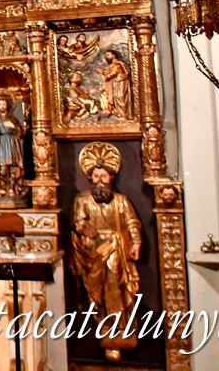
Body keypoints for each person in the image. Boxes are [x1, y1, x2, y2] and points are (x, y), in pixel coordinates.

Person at [72, 144, 142, 362]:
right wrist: (83, 228)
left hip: (115, 247)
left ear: (111, 177)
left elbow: (132, 222)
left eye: (103, 175)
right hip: (92, 252)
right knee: (97, 293)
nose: (99, 180)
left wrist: (136, 242)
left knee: (114, 284)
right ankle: (106, 325)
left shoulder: (120, 201)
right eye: (95, 175)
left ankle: (120, 328)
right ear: (90, 177)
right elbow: (78, 220)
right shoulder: (83, 199)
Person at [0, 100, 26, 202]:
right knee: (2, 168)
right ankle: (3, 188)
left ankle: (12, 188)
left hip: (11, 142)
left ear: (7, 105)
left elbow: (20, 131)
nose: (2, 106)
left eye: (3, 104)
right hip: (1, 143)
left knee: (13, 168)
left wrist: (13, 127)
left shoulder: (12, 118)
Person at [100, 50, 133, 119]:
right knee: (116, 98)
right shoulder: (112, 65)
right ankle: (118, 114)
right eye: (106, 56)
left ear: (114, 55)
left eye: (108, 55)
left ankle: (124, 115)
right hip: (116, 83)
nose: (107, 57)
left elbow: (113, 73)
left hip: (121, 83)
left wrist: (105, 74)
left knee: (121, 97)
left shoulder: (118, 64)